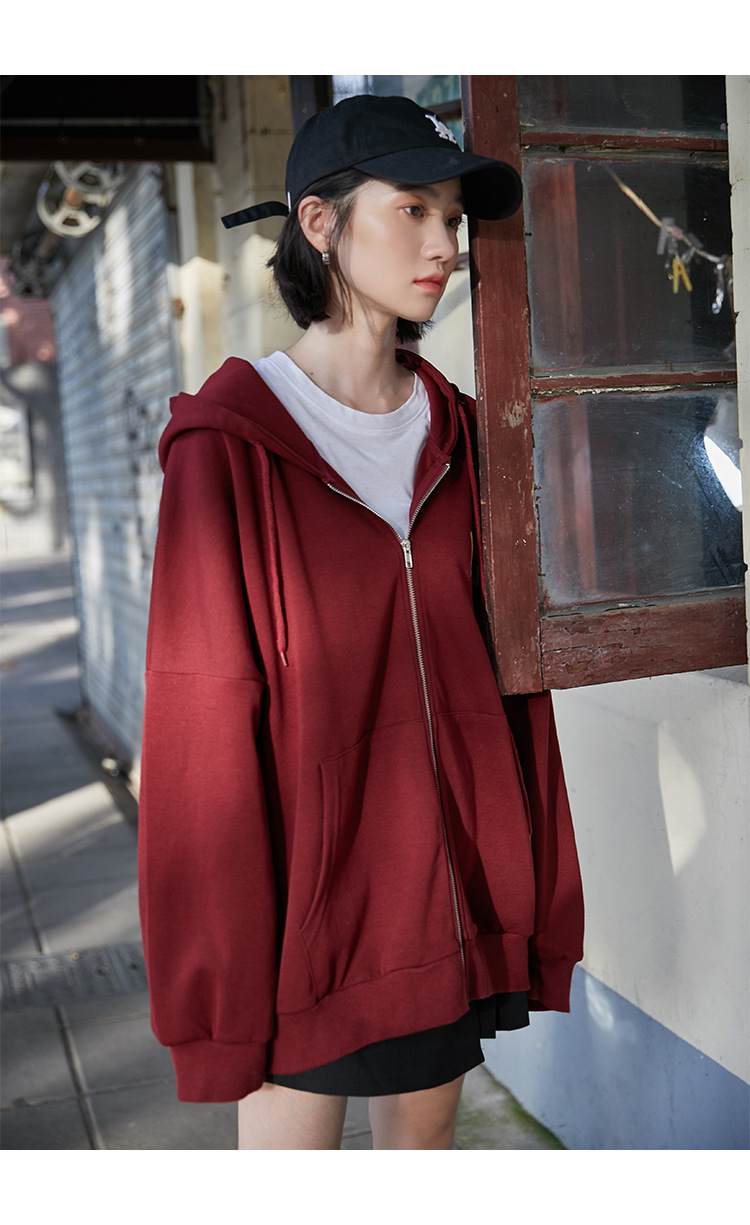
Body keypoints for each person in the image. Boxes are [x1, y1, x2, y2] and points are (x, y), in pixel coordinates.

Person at [138, 94, 584, 1151]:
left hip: (449, 904)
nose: (444, 245)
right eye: (413, 210)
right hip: (307, 928)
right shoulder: (230, 447)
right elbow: (201, 738)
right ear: (320, 222)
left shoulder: (465, 434)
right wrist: (220, 994)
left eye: (452, 219)